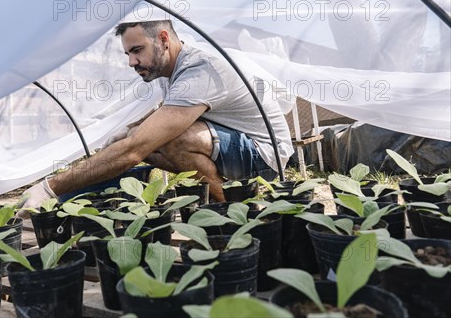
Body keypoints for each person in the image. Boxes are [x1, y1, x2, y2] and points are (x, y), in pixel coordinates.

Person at [20, 19, 292, 209]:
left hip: (266, 156)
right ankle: (223, 198)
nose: (131, 62)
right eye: (127, 53)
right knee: (142, 136)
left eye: (137, 50)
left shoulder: (199, 70)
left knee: (165, 140)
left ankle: (233, 208)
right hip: (234, 146)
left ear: (163, 39)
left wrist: (51, 187)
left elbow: (137, 149)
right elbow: (164, 114)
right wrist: (127, 130)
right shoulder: (168, 71)